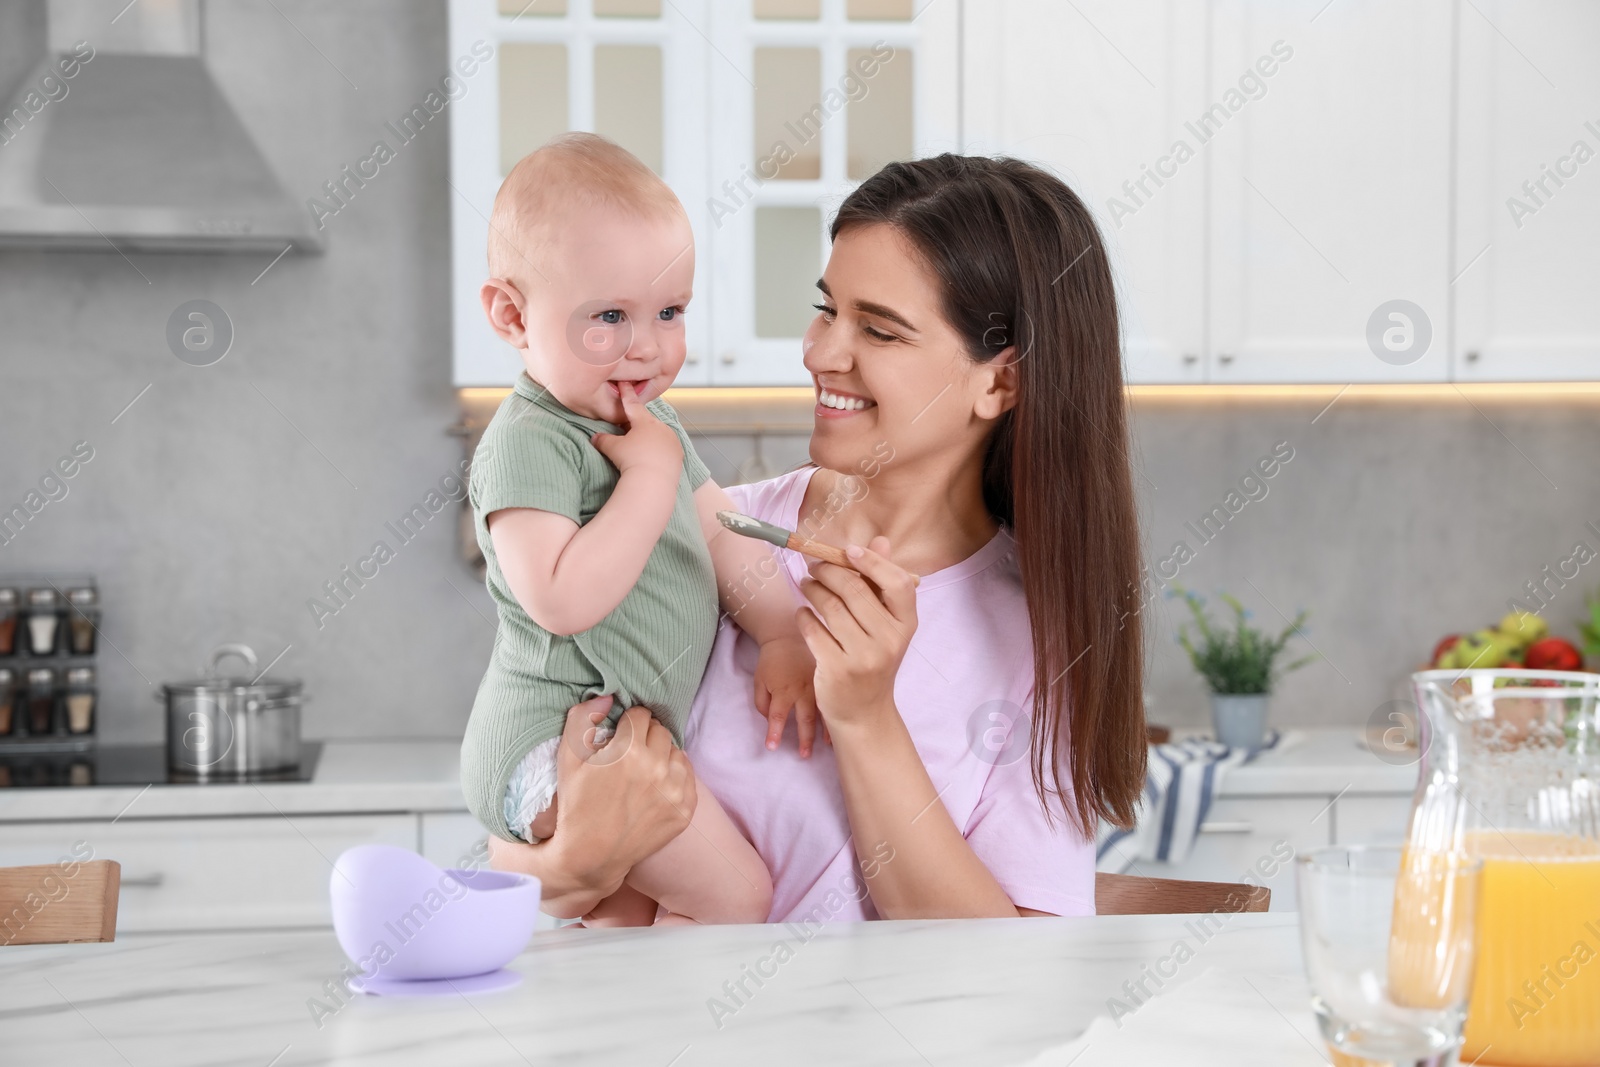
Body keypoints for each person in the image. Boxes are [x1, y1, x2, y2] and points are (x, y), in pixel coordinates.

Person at [490, 153, 1148, 921]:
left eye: (880, 330)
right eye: (827, 308)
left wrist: (866, 716)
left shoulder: (1043, 639)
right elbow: (523, 787)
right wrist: (571, 863)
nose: (822, 351)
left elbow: (1013, 973)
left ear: (1000, 381)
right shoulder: (686, 533)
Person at [462, 133, 821, 926]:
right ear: (512, 314)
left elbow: (724, 535)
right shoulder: (529, 439)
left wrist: (785, 632)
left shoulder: (653, 422)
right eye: (610, 316)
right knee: (737, 894)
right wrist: (651, 478)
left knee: (625, 925)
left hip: (621, 740)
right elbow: (559, 597)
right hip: (550, 746)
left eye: (670, 311)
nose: (648, 345)